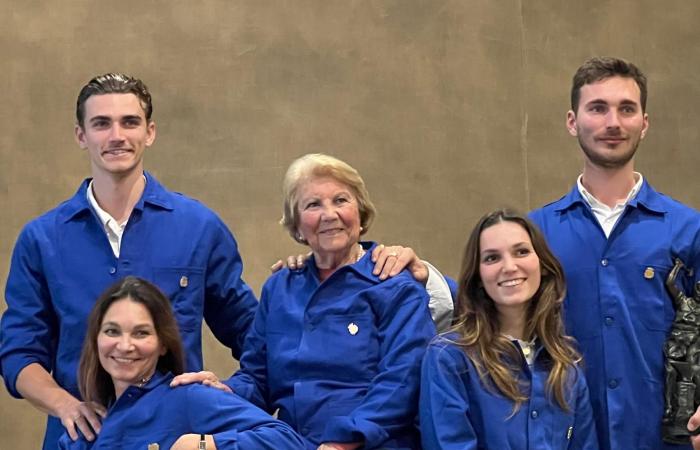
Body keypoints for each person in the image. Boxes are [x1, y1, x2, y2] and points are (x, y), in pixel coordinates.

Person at [0, 73, 261, 449]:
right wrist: (66, 405)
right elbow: (18, 353)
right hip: (80, 441)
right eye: (101, 124)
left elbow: (254, 333)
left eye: (130, 122)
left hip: (174, 439)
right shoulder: (42, 239)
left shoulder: (198, 227)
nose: (116, 135)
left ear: (150, 132)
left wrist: (229, 393)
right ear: (81, 135)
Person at [193, 153, 436, 449]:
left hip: (372, 443)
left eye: (341, 200)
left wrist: (343, 442)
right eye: (313, 204)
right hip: (291, 441)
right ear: (297, 226)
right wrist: (223, 392)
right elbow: (257, 379)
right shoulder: (280, 288)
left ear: (361, 214)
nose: (329, 214)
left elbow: (402, 382)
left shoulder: (395, 284)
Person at [529, 57, 700, 450]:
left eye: (627, 109)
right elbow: (489, 312)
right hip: (566, 438)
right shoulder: (536, 233)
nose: (613, 122)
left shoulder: (689, 230)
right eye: (598, 108)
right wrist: (424, 276)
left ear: (645, 122)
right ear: (573, 121)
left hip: (664, 441)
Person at [57, 276, 305, 449]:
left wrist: (204, 445)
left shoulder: (187, 398)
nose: (125, 345)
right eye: (112, 331)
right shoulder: (86, 429)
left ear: (162, 343)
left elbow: (286, 441)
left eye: (141, 333)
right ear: (96, 339)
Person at [419, 209, 597, 449]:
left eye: (521, 252)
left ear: (542, 265)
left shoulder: (567, 366)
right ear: (479, 276)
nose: (509, 266)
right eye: (492, 258)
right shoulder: (448, 358)